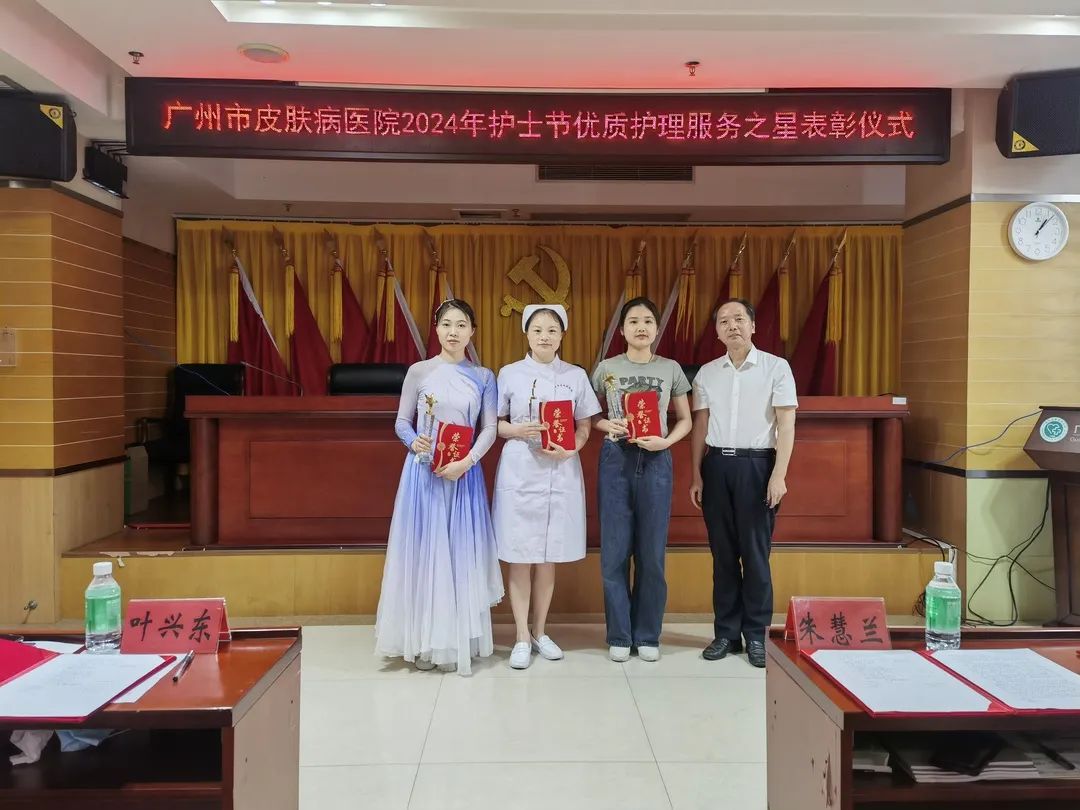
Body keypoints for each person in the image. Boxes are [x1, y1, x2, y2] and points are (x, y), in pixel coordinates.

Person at [374, 299, 504, 676]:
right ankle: (423, 642)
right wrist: (413, 441)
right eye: (447, 324)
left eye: (461, 325)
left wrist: (468, 461)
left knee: (458, 554)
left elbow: (490, 428)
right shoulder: (419, 371)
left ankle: (456, 641)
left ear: (472, 332)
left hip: (464, 475)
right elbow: (402, 421)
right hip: (424, 474)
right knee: (426, 553)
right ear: (436, 329)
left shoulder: (483, 376)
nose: (453, 332)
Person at [689, 298, 797, 669]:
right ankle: (726, 633)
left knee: (754, 555)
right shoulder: (707, 373)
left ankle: (757, 636)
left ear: (753, 325)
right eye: (724, 321)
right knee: (722, 555)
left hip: (758, 466)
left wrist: (779, 474)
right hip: (717, 465)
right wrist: (696, 473)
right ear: (717, 332)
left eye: (739, 319)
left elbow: (786, 424)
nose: (732, 326)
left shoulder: (776, 368)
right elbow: (700, 427)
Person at [492, 305, 600, 669]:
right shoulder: (509, 373)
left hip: (561, 468)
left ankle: (540, 631)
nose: (544, 336)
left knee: (548, 554)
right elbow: (495, 423)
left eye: (552, 330)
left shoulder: (575, 375)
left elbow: (584, 425)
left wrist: (573, 448)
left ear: (562, 335)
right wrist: (517, 429)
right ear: (526, 333)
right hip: (520, 468)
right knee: (521, 554)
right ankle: (521, 636)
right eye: (537, 329)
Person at [591, 297, 692, 663]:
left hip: (656, 460)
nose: (641, 327)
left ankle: (648, 634)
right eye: (633, 321)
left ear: (656, 328)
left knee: (651, 552)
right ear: (622, 330)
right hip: (616, 458)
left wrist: (666, 441)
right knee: (615, 551)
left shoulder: (670, 368)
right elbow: (589, 416)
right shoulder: (606, 368)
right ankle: (620, 634)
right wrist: (608, 424)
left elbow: (686, 420)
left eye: (648, 320)